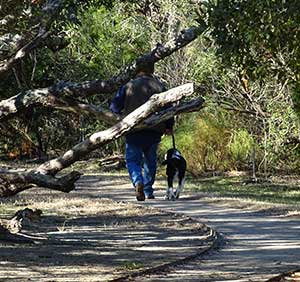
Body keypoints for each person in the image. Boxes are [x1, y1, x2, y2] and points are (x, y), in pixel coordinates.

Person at [110, 61, 174, 201]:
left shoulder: (128, 86)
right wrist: (169, 126)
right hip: (154, 129)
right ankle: (148, 189)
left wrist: (120, 119)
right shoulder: (160, 86)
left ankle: (137, 181)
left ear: (137, 70)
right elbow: (169, 108)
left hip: (132, 129)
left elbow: (114, 108)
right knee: (150, 161)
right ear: (152, 70)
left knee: (133, 160)